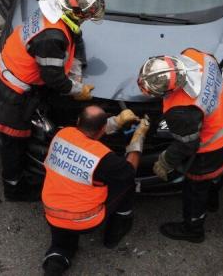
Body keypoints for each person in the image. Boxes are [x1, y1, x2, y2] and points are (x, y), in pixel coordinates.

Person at [0, 0, 139, 201]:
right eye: (86, 16)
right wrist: (78, 90)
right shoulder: (52, 37)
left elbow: (75, 39)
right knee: (12, 145)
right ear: (76, 12)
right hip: (12, 98)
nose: (86, 20)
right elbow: (54, 78)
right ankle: (14, 189)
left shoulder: (52, 11)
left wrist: (77, 68)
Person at [136, 48, 223, 243]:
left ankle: (193, 228)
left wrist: (165, 161)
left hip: (209, 150)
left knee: (195, 189)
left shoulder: (182, 111)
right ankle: (212, 202)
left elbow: (186, 146)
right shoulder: (195, 56)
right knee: (216, 177)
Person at [42, 105, 149, 276]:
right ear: (103, 128)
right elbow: (129, 171)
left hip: (52, 213)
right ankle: (115, 232)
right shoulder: (105, 159)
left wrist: (117, 121)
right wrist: (138, 138)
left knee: (61, 246)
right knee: (126, 183)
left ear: (78, 121)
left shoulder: (62, 134)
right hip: (86, 219)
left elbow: (89, 132)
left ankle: (57, 258)